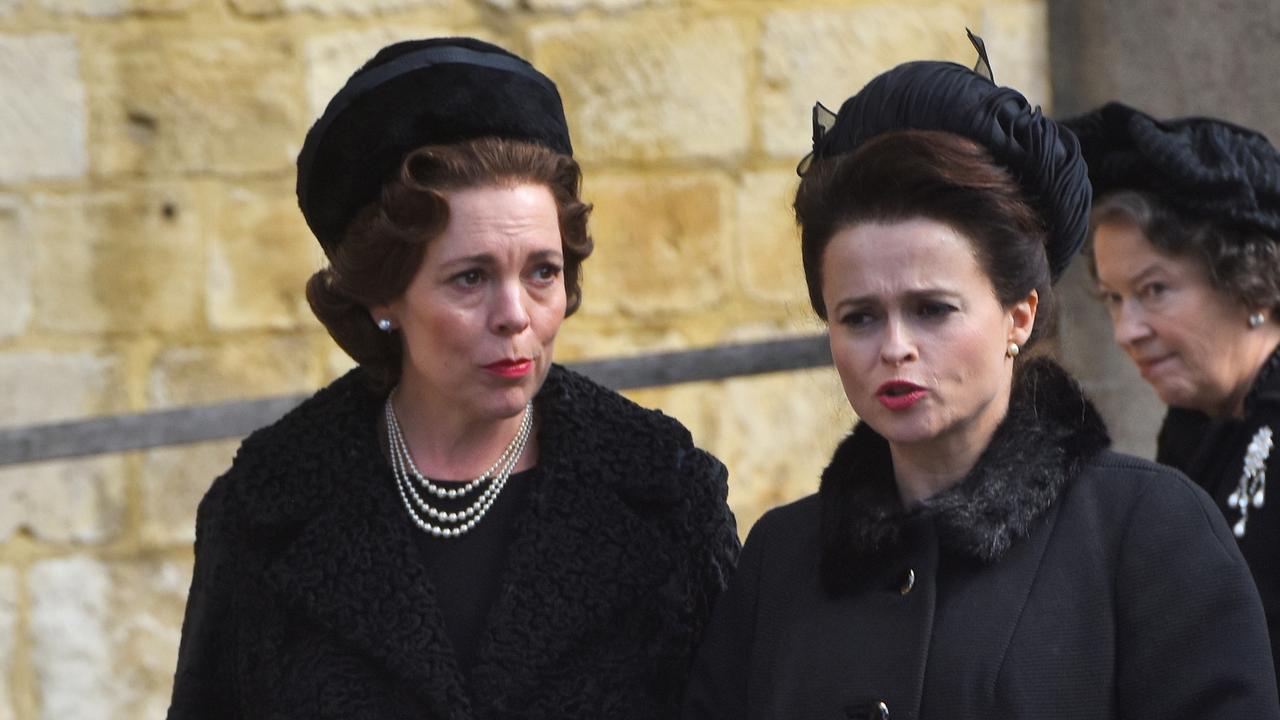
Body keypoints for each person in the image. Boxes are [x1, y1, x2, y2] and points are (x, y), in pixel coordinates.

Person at [681, 37, 1279, 719]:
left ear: (1018, 315)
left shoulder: (1149, 533)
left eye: (932, 309)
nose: (895, 347)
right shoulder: (779, 559)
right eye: (859, 317)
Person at [166, 37, 738, 720]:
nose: (514, 316)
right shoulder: (265, 510)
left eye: (542, 273)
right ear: (384, 295)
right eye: (470, 278)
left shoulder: (667, 495)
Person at [1068, 102, 1280, 680]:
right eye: (1113, 298)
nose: (1125, 331)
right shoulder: (1196, 427)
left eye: (1154, 289)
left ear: (1250, 281)